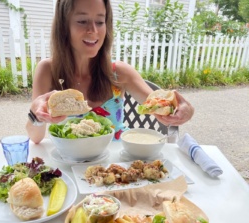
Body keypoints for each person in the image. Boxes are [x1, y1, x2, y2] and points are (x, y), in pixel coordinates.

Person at [26, 0, 194, 144]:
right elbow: (35, 138)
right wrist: (37, 115)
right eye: (82, 21)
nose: (93, 30)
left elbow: (159, 106)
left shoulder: (119, 72)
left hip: (116, 169)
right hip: (69, 168)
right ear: (64, 26)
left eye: (100, 22)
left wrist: (184, 109)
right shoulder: (48, 70)